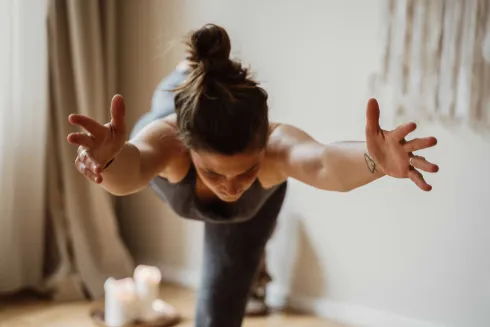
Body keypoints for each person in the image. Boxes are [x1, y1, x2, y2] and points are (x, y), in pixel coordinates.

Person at [66, 24, 439, 327]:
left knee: (220, 312)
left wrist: (373, 161)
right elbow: (131, 173)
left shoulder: (277, 148)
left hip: (246, 208)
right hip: (170, 115)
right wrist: (109, 162)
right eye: (213, 172)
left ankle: (200, 83)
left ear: (264, 146)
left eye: (247, 170)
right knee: (171, 98)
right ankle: (189, 73)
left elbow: (323, 164)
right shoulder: (169, 143)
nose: (231, 185)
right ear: (188, 149)